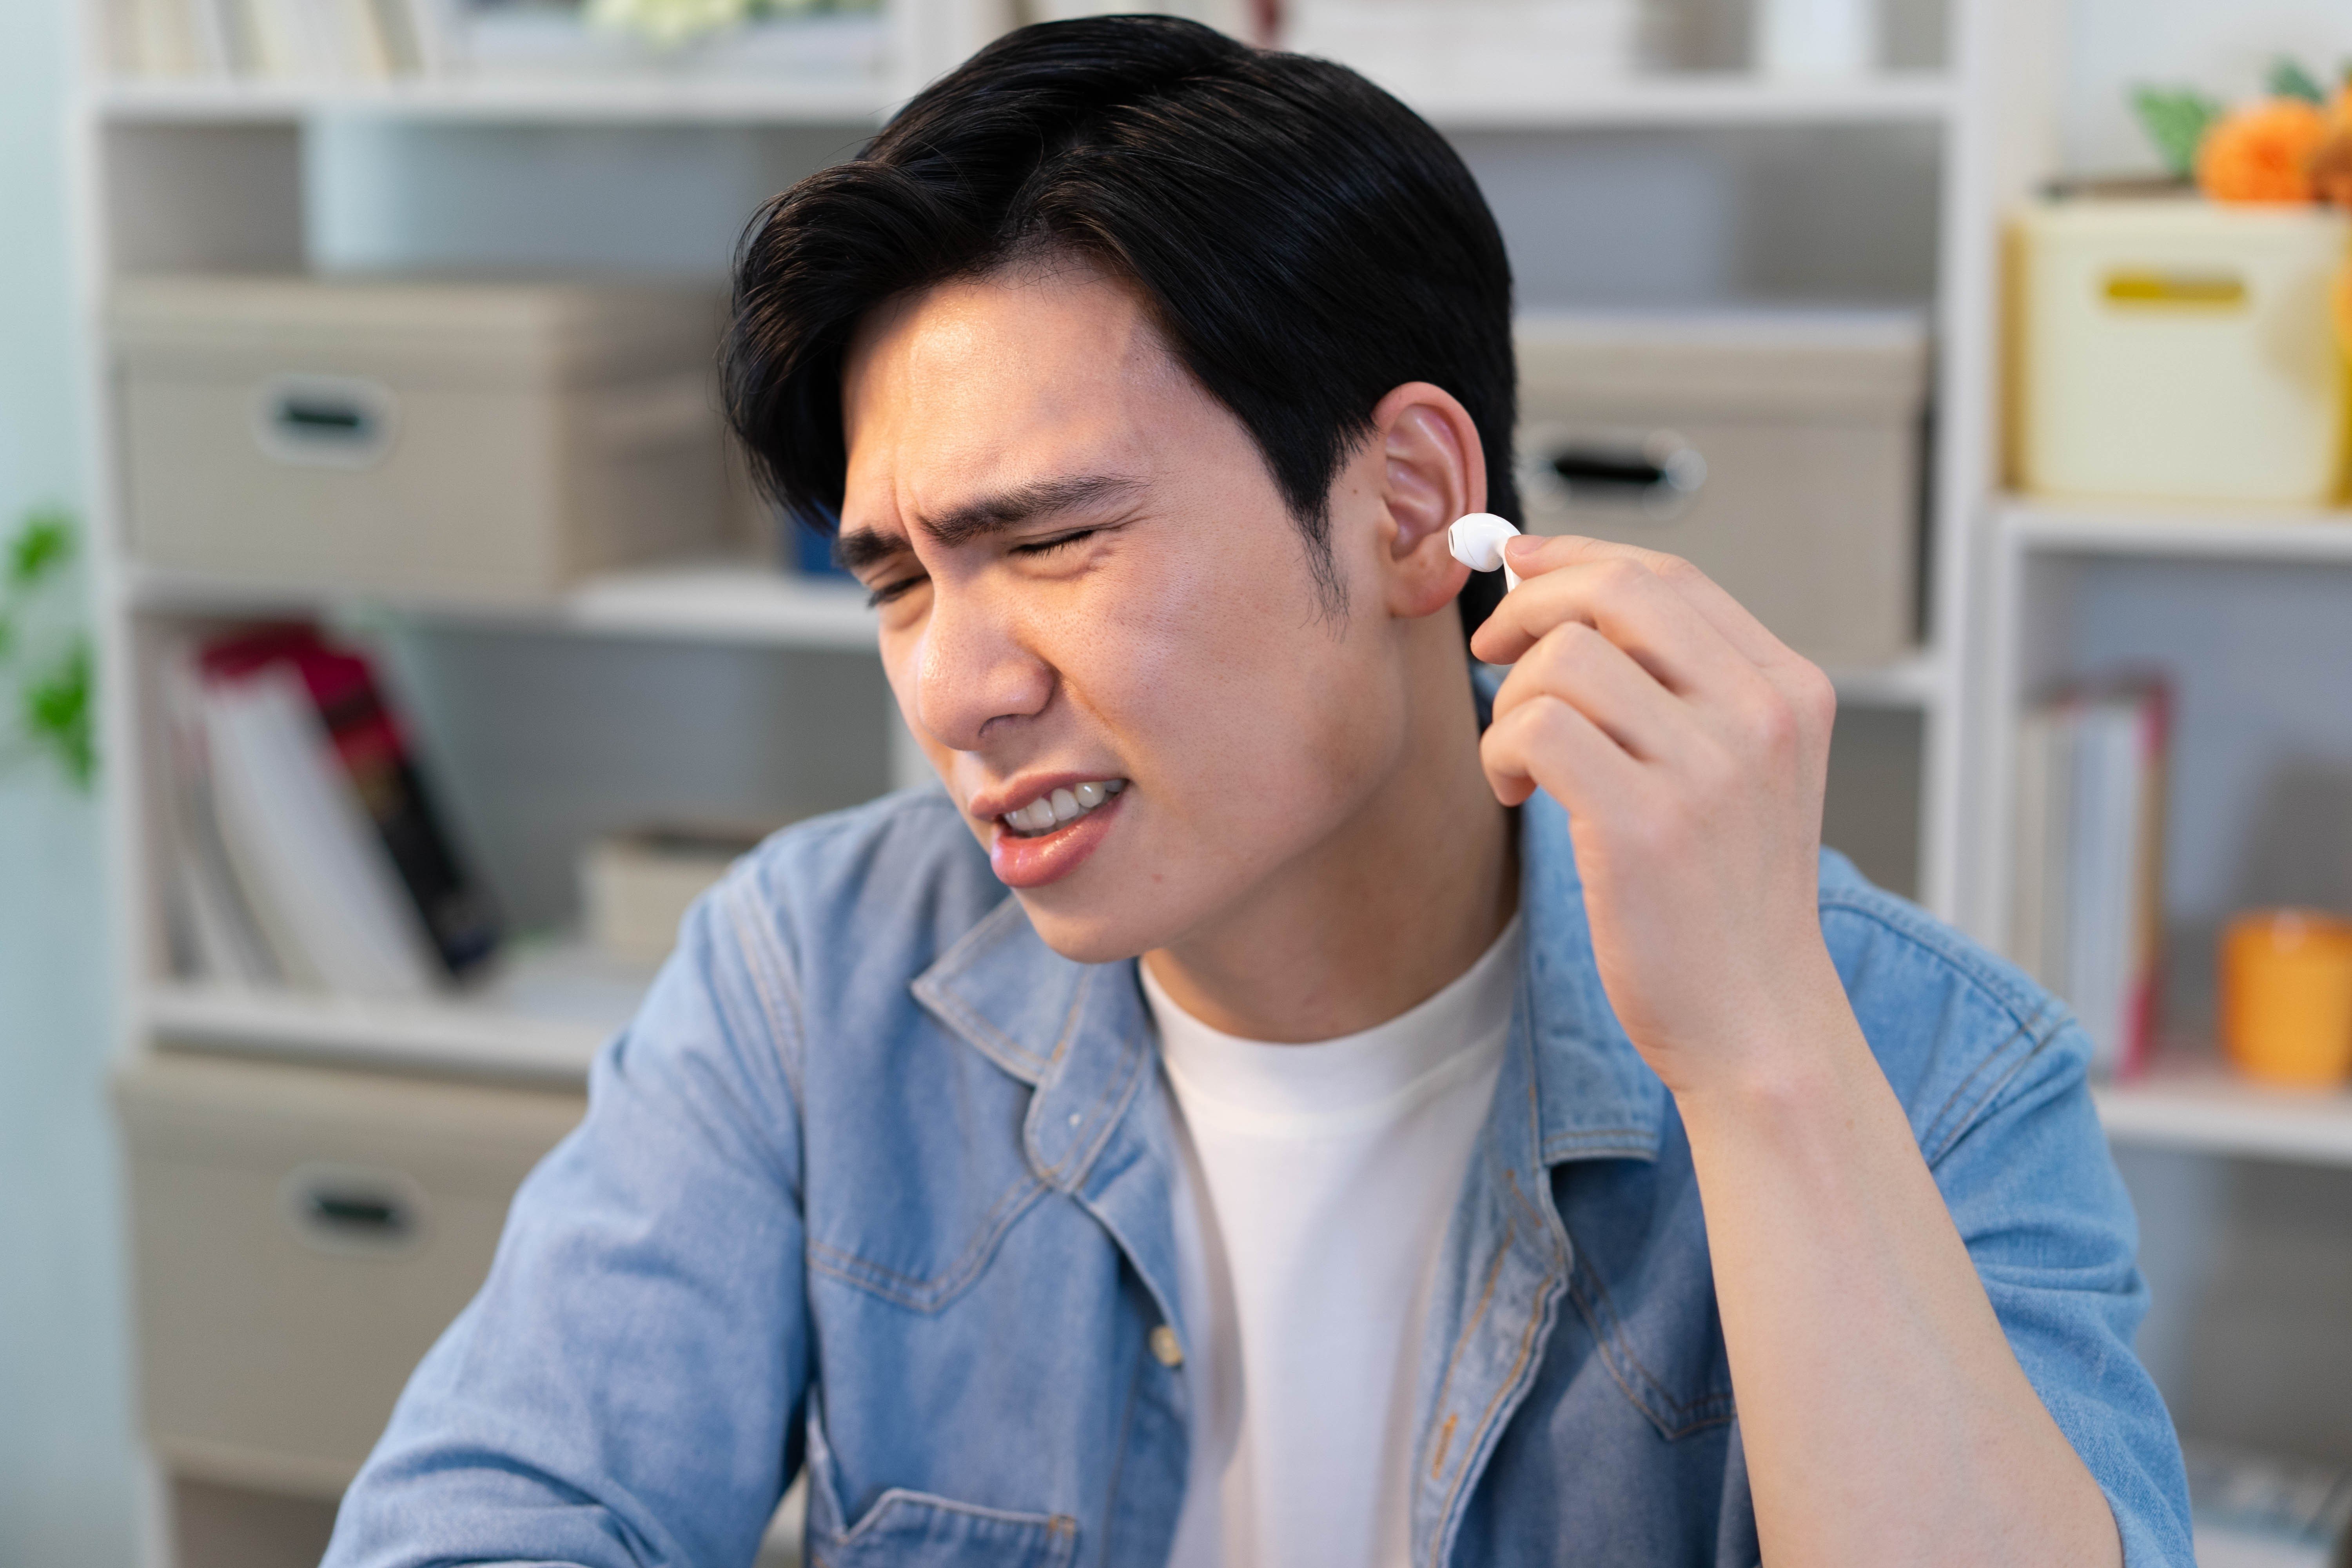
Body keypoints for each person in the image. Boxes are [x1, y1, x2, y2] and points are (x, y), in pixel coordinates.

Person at [324, 17, 2191, 1568]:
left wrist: (1767, 1053)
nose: (959, 688)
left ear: (1406, 504)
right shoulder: (812, 973)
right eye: (898, 577)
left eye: (1050, 540)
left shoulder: (1929, 1068)